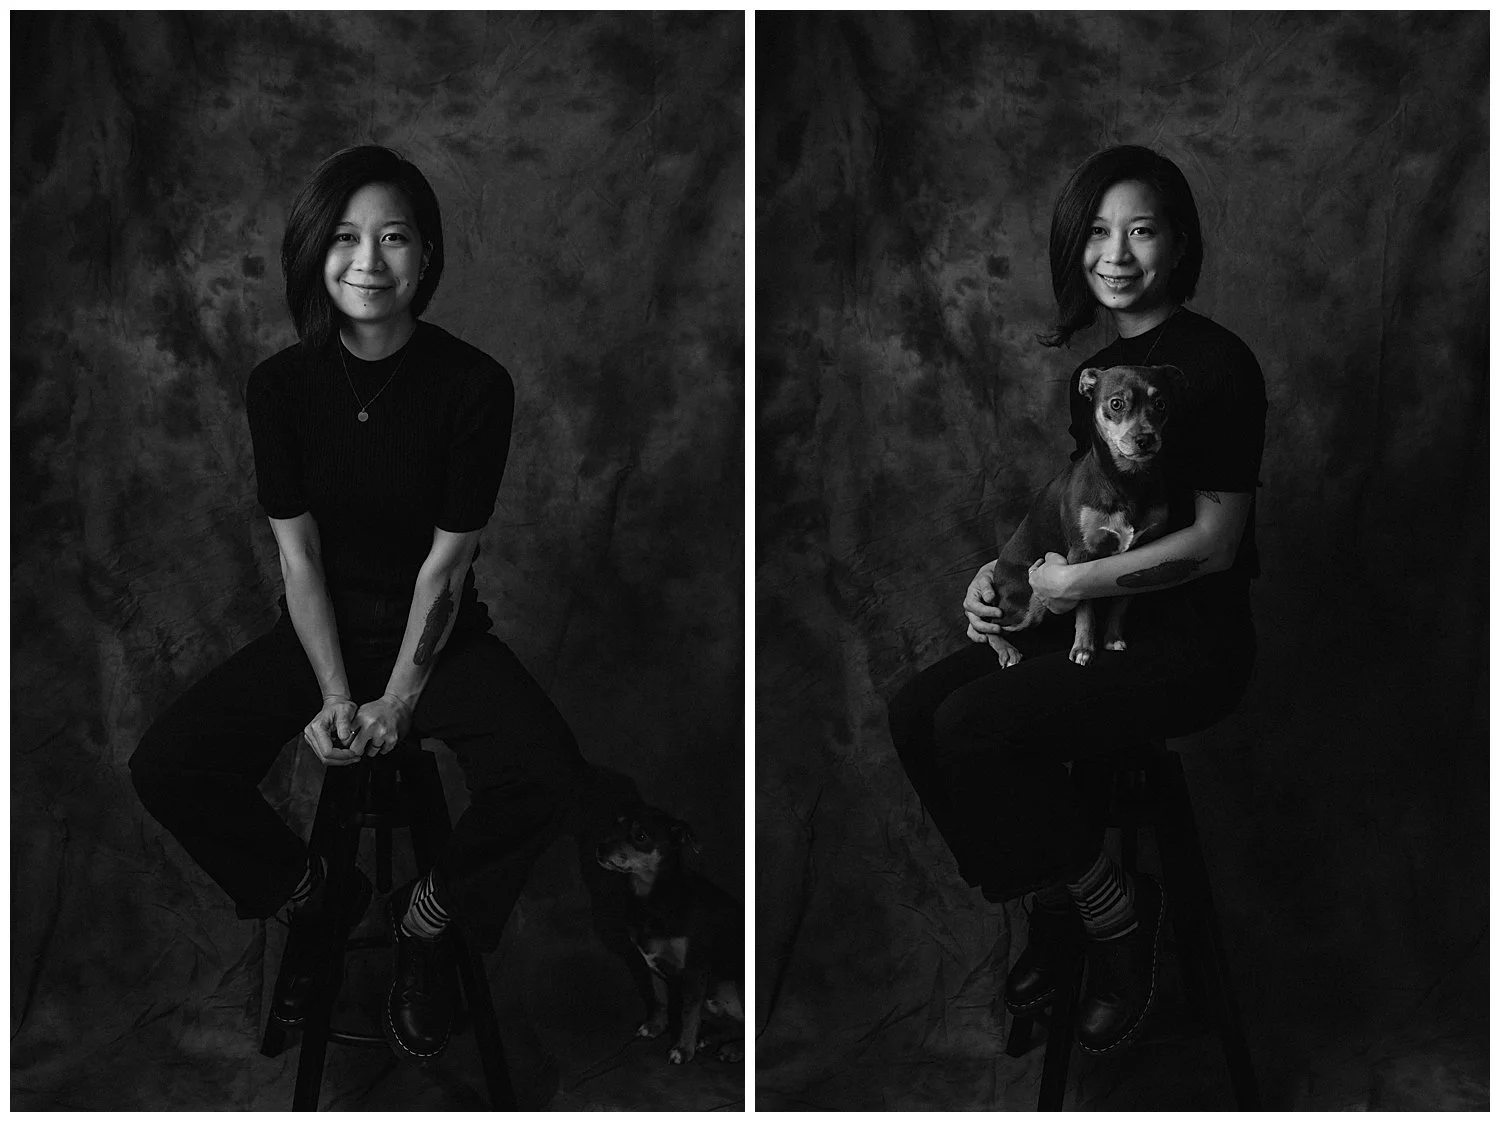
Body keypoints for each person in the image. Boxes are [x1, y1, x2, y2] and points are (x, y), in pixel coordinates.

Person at [130, 145, 587, 1062]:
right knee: (172, 763)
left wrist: (399, 701)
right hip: (320, 630)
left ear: (427, 255)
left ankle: (427, 922)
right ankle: (320, 898)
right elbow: (298, 560)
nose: (369, 263)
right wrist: (337, 696)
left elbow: (447, 570)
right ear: (313, 252)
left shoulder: (474, 385)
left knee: (547, 769)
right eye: (344, 238)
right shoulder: (280, 387)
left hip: (435, 633)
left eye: (393, 238)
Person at [887, 145, 1266, 1055]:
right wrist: (1008, 576)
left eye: (1141, 230)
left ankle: (1114, 920)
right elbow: (1074, 498)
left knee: (976, 725)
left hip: (1192, 646)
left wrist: (1074, 584)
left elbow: (1215, 548)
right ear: (1074, 245)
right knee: (916, 711)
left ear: (1177, 244)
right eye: (1097, 231)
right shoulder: (1095, 374)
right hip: (1096, 620)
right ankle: (1060, 901)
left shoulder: (1217, 364)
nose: (1117, 253)